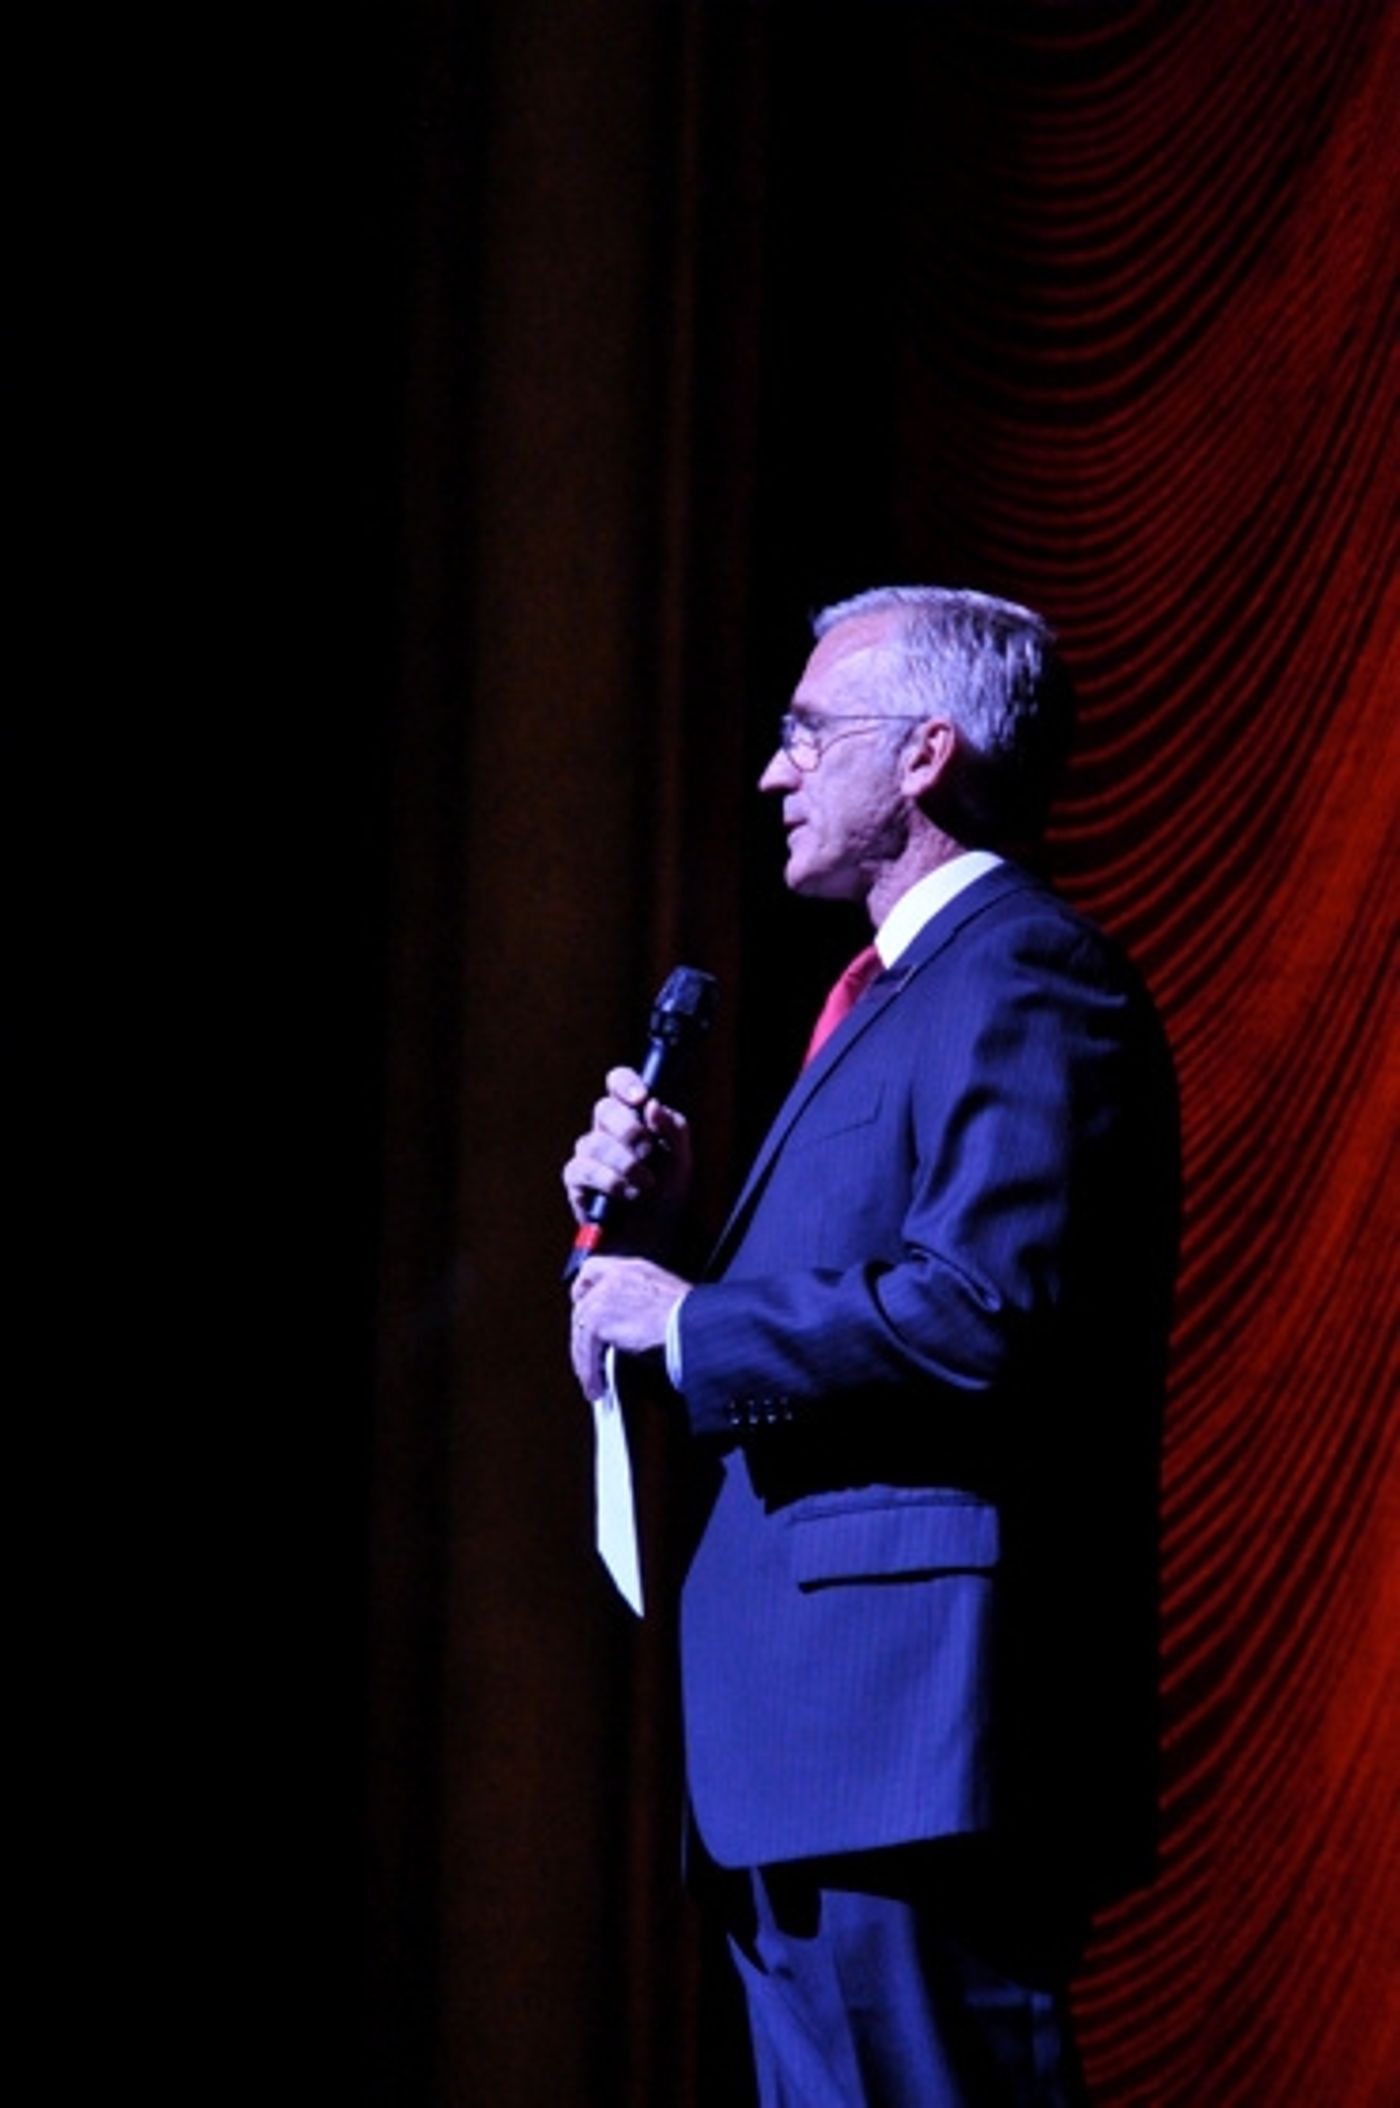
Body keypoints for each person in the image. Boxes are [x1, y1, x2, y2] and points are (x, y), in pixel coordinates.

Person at [564, 586, 1180, 2105]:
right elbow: (860, 1303)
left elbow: (978, 1314)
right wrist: (668, 1230)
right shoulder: (897, 996)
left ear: (922, 755)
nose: (773, 774)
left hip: (913, 1740)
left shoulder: (1024, 974)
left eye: (802, 736)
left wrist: (692, 1319)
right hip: (816, 1751)